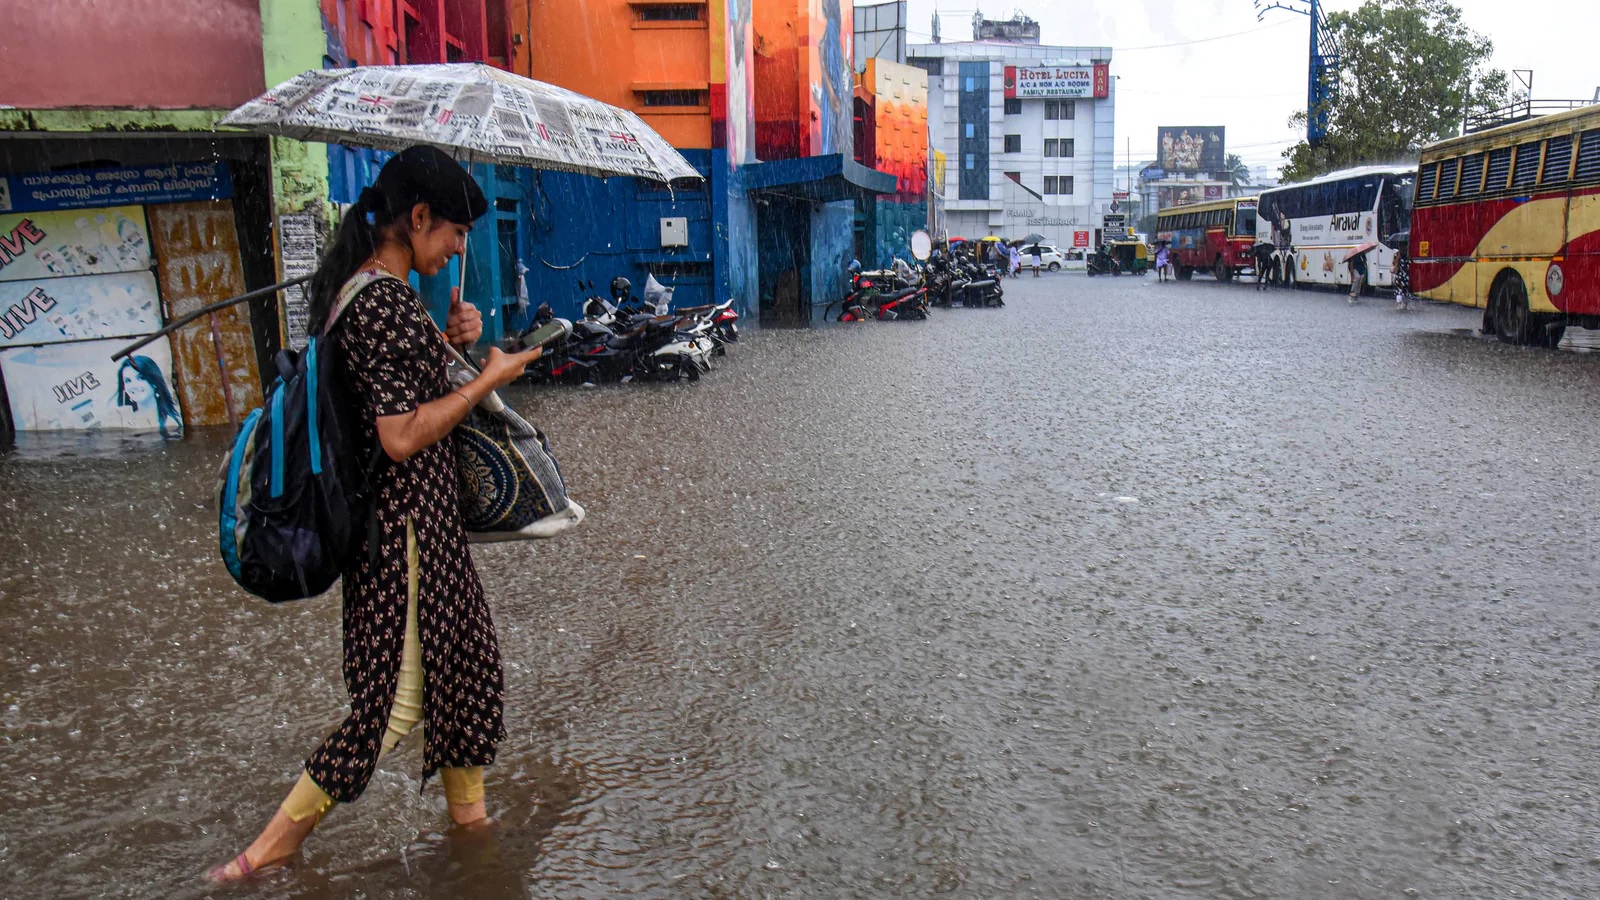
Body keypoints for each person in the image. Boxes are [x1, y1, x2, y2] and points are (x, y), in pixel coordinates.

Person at [207, 146, 547, 882]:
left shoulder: (376, 294)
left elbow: (399, 394)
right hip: (405, 537)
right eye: (454, 232)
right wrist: (488, 374)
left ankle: (472, 831)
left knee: (469, 673)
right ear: (417, 218)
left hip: (427, 530)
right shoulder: (382, 301)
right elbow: (399, 436)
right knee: (388, 709)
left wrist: (451, 341)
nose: (461, 247)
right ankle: (261, 857)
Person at [114, 354, 184, 438]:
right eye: (128, 381)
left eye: (141, 378)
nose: (134, 385)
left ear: (154, 382)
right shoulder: (120, 421)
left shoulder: (173, 420)